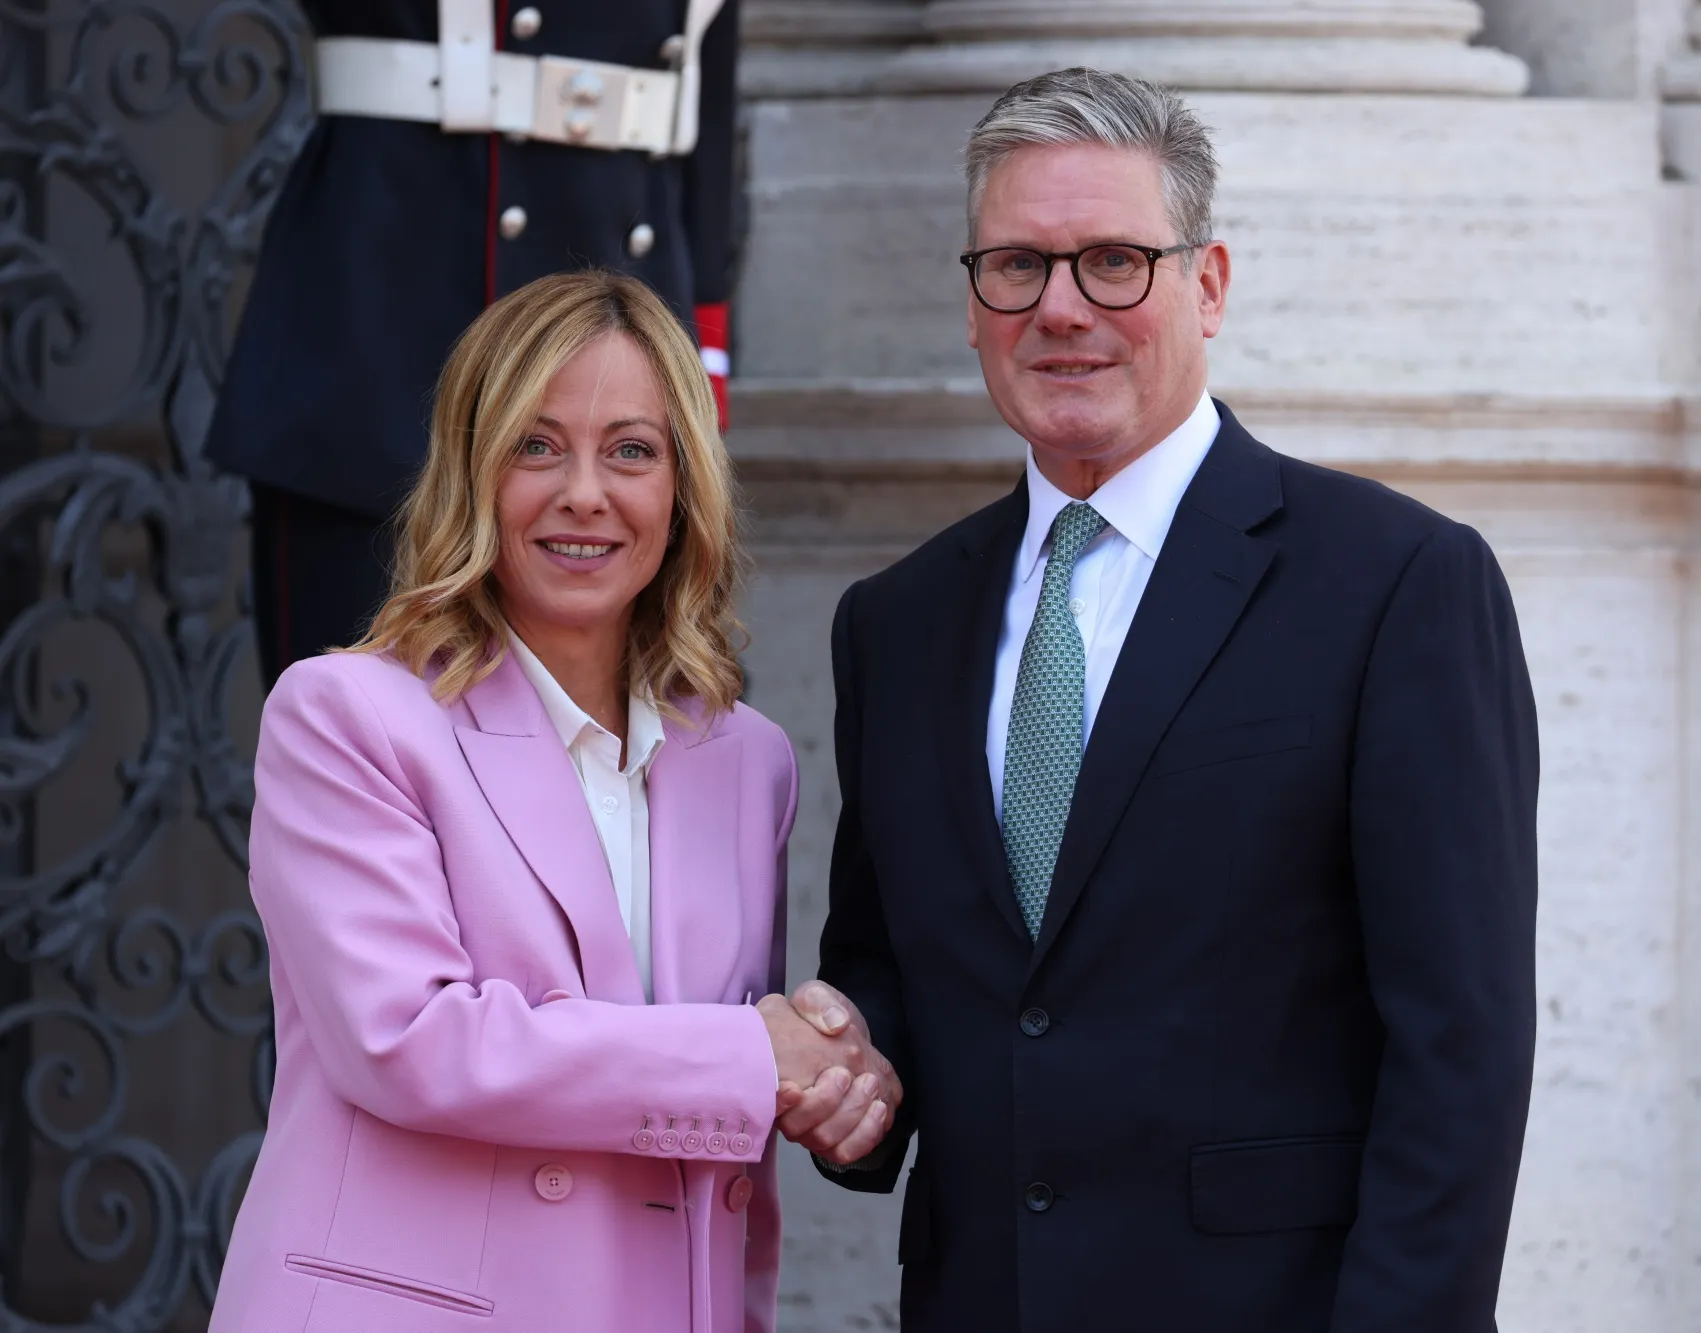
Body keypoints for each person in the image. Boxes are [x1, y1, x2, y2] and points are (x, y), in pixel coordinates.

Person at [799, 68, 1541, 1331]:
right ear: (973, 304)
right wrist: (849, 1076)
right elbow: (894, 976)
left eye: (1113, 263)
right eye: (1017, 267)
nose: (1062, 308)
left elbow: (1458, 1054)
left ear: (1206, 285)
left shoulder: (1395, 582)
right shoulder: (898, 621)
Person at [209, 270, 897, 1333]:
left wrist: (825, 1075)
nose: (585, 491)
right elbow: (413, 1042)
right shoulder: (347, 715)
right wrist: (755, 1055)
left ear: (682, 485)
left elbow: (725, 1166)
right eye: (536, 445)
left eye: (631, 449)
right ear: (473, 473)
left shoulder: (745, 760)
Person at [205, 0, 744, 686]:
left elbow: (700, 97)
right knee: (362, 732)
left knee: (629, 734)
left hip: (622, 323)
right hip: (387, 351)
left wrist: (704, 348)